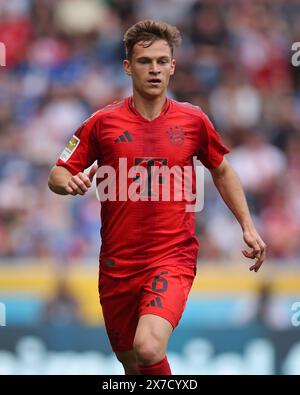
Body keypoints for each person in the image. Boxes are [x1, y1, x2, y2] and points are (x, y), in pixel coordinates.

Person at [48, 20, 266, 375]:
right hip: (117, 266)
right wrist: (68, 183)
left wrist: (247, 226)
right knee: (133, 365)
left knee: (148, 347)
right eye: (145, 61)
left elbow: (222, 170)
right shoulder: (102, 123)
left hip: (172, 256)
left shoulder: (193, 121)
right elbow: (57, 173)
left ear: (173, 66)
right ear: (127, 67)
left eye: (162, 61)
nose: (154, 69)